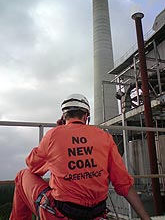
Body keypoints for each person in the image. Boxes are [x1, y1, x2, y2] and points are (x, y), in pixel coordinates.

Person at [10, 93, 151, 220]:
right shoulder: (104, 136)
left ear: (64, 116)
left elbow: (32, 166)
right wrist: (146, 218)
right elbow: (124, 184)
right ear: (85, 117)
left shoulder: (53, 135)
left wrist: (55, 135)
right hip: (97, 213)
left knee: (22, 175)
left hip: (61, 214)